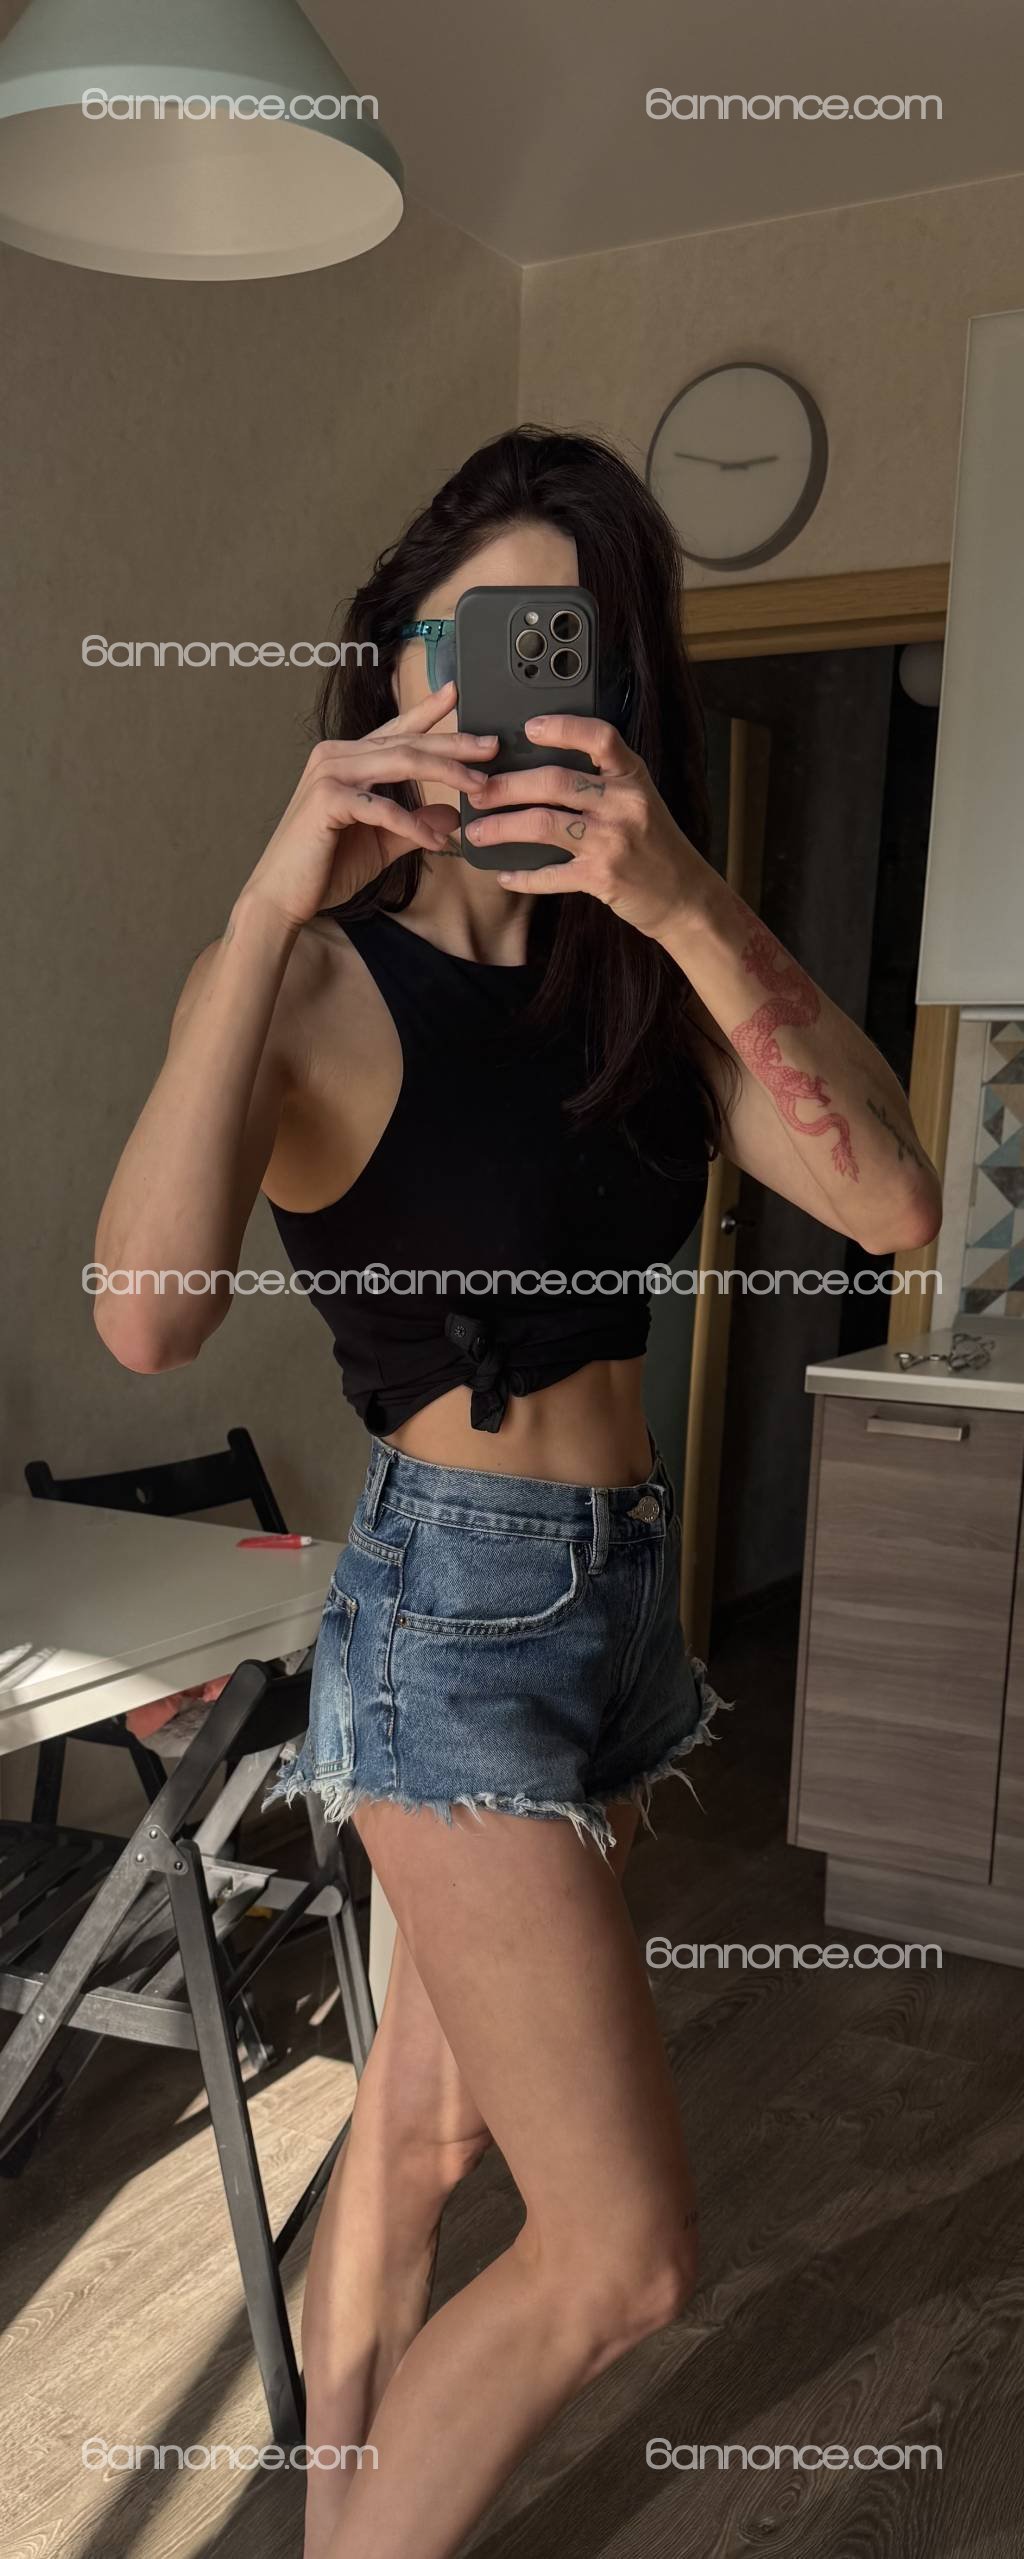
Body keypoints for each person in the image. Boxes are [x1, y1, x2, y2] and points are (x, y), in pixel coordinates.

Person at [94, 426, 942, 2559]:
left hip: (615, 1603)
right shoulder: (306, 977)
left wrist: (680, 890)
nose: (491, 696)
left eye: (551, 650)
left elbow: (892, 1201)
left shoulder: (632, 970)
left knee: (421, 2135)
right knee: (622, 2256)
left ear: (613, 694)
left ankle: (324, 2510)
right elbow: (147, 1321)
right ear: (390, 659)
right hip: (451, 1619)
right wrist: (267, 898)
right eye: (455, 640)